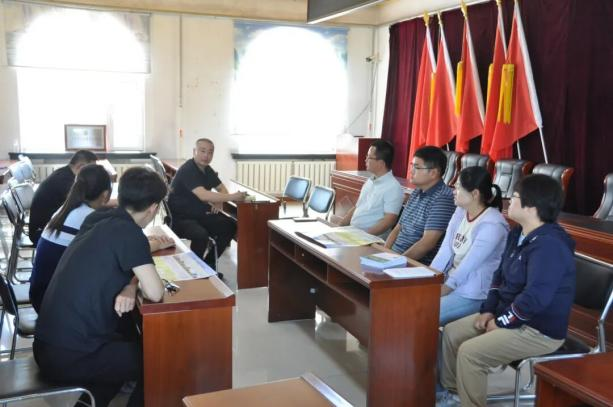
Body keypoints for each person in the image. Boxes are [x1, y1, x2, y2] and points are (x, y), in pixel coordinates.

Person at [34, 167, 173, 407]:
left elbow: (126, 255)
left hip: (46, 344)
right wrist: (135, 282)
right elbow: (155, 292)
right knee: (157, 357)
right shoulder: (130, 233)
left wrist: (131, 285)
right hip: (70, 355)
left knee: (121, 348)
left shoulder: (97, 218)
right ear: (153, 208)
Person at [438, 174, 576, 407]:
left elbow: (535, 299)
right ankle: (454, 395)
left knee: (470, 353)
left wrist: (501, 322)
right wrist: (488, 310)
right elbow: (499, 276)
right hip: (508, 315)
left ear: (532, 207)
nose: (509, 200)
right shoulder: (518, 233)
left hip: (538, 329)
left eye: (516, 196)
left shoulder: (550, 246)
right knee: (452, 333)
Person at [430, 166, 509, 326]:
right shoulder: (460, 211)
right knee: (412, 301)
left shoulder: (493, 224)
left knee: (424, 311)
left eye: (458, 187)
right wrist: (428, 278)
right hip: (451, 282)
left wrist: (441, 290)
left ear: (474, 194)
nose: (453, 191)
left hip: (473, 293)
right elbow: (445, 251)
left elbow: (469, 264)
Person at [29, 164, 112, 312]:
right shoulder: (91, 218)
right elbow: (118, 256)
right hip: (53, 306)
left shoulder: (67, 209)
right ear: (105, 195)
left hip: (40, 295)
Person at [168, 138, 246, 272]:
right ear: (194, 151)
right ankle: (195, 270)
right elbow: (203, 195)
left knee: (229, 226)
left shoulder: (207, 169)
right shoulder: (188, 169)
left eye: (210, 152)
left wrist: (219, 200)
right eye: (202, 151)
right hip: (180, 217)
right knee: (200, 235)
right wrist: (233, 197)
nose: (206, 156)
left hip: (197, 212)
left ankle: (208, 265)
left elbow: (222, 189)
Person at [384, 146, 455, 265]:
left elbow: (427, 243)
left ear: (433, 173)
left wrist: (396, 263)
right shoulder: (417, 191)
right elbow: (398, 228)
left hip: (413, 264)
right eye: (412, 166)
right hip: (394, 258)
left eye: (416, 167)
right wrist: (383, 254)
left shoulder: (443, 198)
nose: (411, 171)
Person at [29, 150, 98, 245]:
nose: (94, 174)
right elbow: (86, 201)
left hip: (49, 228)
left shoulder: (66, 173)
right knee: (91, 236)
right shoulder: (64, 180)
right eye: (91, 171)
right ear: (80, 167)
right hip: (41, 233)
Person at [339, 140, 404, 238]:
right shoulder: (370, 181)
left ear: (381, 163)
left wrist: (364, 236)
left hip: (371, 239)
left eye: (369, 157)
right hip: (353, 233)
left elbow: (389, 220)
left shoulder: (393, 187)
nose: (365, 160)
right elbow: (357, 207)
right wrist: (339, 227)